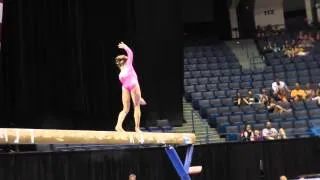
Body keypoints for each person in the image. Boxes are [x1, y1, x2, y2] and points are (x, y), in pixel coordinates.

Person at [115, 42, 146, 132]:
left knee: (126, 109)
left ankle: (120, 126)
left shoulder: (122, 72)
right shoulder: (127, 66)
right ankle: (135, 128)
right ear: (126, 61)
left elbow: (130, 54)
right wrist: (125, 46)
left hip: (127, 86)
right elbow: (130, 53)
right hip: (131, 85)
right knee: (136, 106)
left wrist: (125, 47)